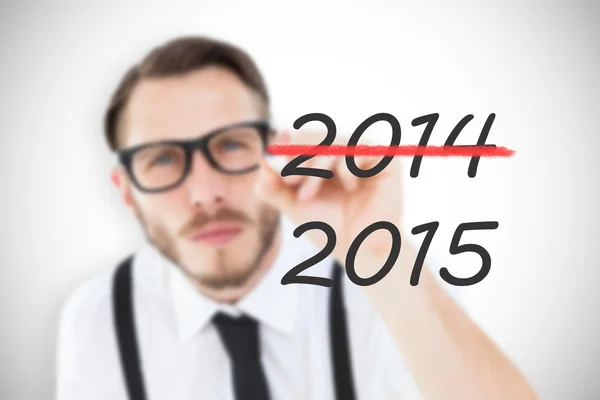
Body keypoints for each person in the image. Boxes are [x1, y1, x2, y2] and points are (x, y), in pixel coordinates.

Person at [55, 35, 537, 400]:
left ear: (276, 151)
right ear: (126, 191)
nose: (206, 193)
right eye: (162, 159)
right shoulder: (98, 318)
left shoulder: (378, 289)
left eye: (230, 145)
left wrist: (379, 257)